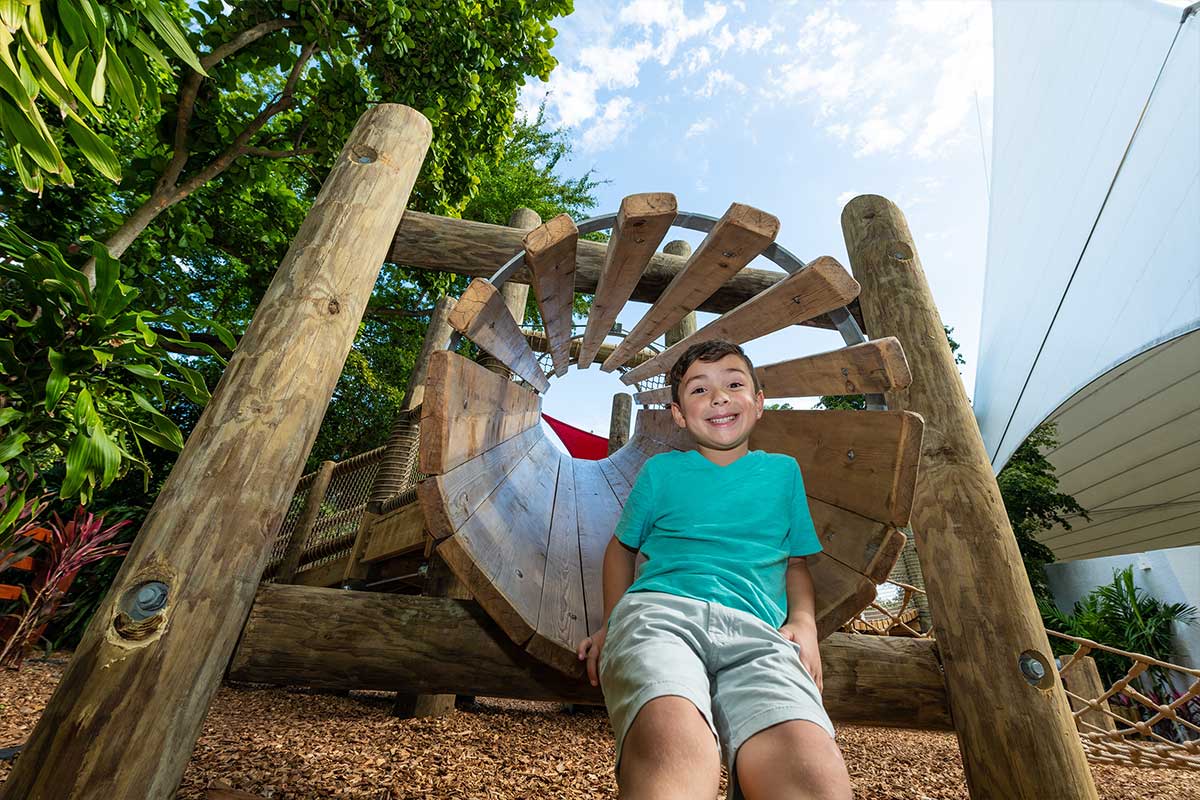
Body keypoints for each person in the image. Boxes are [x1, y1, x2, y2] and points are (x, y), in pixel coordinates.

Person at [576, 339, 852, 800]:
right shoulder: (661, 472)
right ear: (680, 414)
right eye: (699, 390)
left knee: (811, 768)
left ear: (759, 403)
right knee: (675, 746)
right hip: (661, 615)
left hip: (758, 634)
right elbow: (620, 549)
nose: (718, 397)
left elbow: (796, 563)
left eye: (734, 384)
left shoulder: (782, 473)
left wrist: (803, 620)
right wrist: (612, 621)